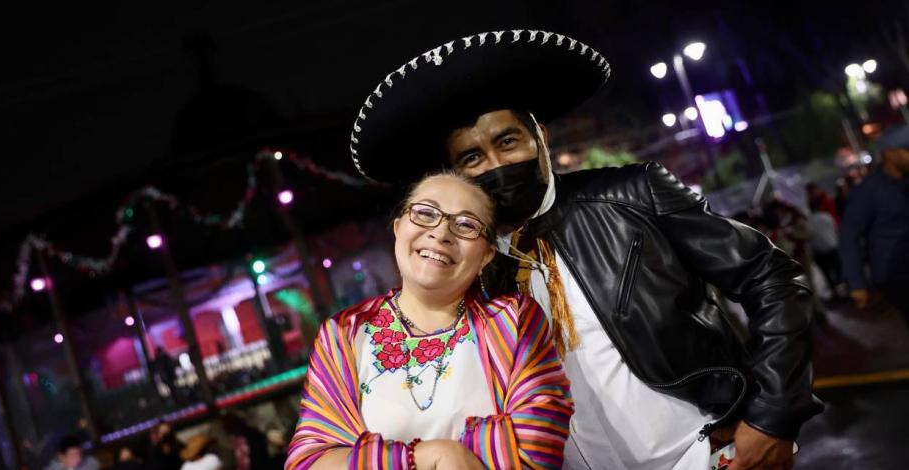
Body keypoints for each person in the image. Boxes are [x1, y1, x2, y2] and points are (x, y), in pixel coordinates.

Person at [350, 30, 822, 469]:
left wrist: (773, 416)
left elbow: (772, 279)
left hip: (706, 456)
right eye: (472, 158)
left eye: (508, 142)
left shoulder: (632, 196)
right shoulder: (468, 268)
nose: (496, 164)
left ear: (541, 139)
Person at [286, 172, 572, 469]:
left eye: (466, 224)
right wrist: (433, 456)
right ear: (399, 227)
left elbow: (539, 447)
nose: (441, 233)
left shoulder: (514, 320)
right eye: (425, 213)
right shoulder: (345, 334)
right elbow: (310, 461)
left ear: (487, 254)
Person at [840, 125, 909, 318]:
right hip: (896, 275)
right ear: (889, 154)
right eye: (907, 150)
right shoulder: (867, 192)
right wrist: (856, 283)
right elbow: (849, 236)